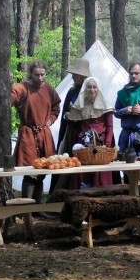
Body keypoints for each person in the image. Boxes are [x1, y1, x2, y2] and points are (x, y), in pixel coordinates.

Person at [11, 61, 61, 203]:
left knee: (42, 171)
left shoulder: (49, 90)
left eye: (42, 75)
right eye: (36, 75)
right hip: (28, 135)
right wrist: (8, 88)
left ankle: (37, 208)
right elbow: (12, 97)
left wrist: (50, 120)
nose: (40, 78)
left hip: (44, 134)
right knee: (30, 172)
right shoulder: (23, 88)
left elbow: (56, 107)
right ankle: (27, 210)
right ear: (30, 74)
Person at [63, 77, 115, 188]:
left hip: (100, 143)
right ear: (85, 89)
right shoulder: (80, 105)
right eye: (89, 87)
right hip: (83, 144)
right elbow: (75, 125)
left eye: (94, 87)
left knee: (100, 173)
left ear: (98, 88)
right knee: (83, 172)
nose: (92, 90)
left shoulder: (106, 106)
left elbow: (110, 127)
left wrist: (107, 145)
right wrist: (70, 118)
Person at [51, 58, 91, 190]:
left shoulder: (90, 92)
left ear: (83, 75)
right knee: (67, 163)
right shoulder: (72, 91)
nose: (72, 76)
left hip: (85, 137)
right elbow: (64, 115)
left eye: (75, 74)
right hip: (70, 135)